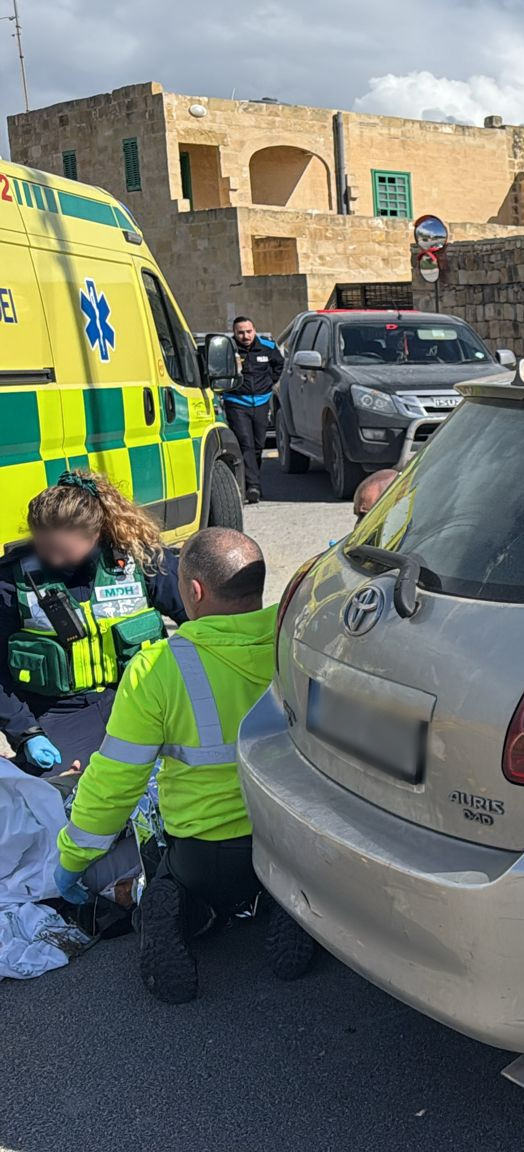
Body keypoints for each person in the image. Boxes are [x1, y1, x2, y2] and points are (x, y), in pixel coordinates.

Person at [51, 527, 316, 1002]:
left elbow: (114, 783)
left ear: (193, 591)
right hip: (290, 842)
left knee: (161, 861)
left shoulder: (158, 670)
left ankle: (181, 910)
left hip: (205, 855)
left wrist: (73, 859)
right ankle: (291, 906)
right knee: (288, 879)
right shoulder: (297, 639)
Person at [3, 472, 182, 779]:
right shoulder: (10, 582)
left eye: (63, 550)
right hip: (60, 713)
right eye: (44, 548)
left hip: (143, 700)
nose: (53, 559)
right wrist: (26, 732)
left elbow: (202, 623)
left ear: (95, 535)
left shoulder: (140, 560)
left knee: (174, 780)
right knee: (58, 799)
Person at [225, 316, 286, 506]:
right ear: (234, 333)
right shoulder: (228, 349)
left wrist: (269, 383)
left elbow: (280, 365)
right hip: (236, 402)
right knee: (246, 444)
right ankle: (252, 487)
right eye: (240, 332)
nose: (245, 336)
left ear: (254, 330)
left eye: (248, 331)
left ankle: (252, 482)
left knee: (259, 446)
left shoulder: (267, 347)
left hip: (260, 402)